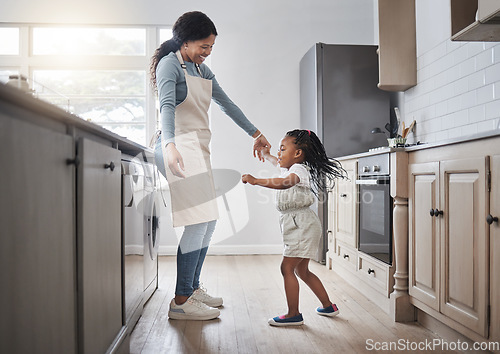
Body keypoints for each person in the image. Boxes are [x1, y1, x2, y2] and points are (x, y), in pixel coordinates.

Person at [150, 11, 270, 321]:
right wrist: (170, 145)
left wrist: (256, 134)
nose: (207, 53)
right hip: (175, 146)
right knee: (198, 220)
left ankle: (191, 289)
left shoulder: (202, 72)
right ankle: (181, 300)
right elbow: (166, 108)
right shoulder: (169, 66)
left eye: (211, 48)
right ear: (185, 41)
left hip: (196, 149)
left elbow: (227, 105)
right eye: (203, 46)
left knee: (209, 219)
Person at [241, 129, 346, 326]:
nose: (278, 154)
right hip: (299, 224)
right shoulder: (289, 168)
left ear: (297, 154)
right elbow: (275, 162)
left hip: (302, 226)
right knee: (302, 271)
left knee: (287, 267)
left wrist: (256, 181)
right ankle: (328, 306)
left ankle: (293, 314)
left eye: (282, 149)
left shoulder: (298, 171)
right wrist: (265, 153)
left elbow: (285, 183)